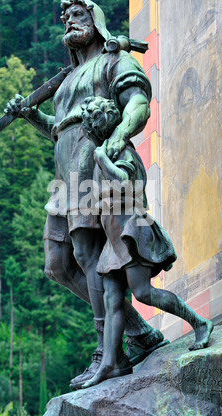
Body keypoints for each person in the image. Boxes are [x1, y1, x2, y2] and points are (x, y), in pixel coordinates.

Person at [4, 0, 167, 390]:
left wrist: (119, 136)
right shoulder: (64, 83)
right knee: (58, 265)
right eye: (65, 19)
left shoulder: (115, 61)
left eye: (78, 16)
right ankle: (138, 332)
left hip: (97, 170)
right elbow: (59, 132)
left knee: (89, 257)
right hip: (65, 180)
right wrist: (30, 116)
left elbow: (138, 105)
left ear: (96, 20)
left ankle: (106, 354)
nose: (69, 23)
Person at [79, 96, 214, 387]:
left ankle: (200, 322)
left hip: (132, 229)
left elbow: (127, 185)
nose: (90, 126)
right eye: (89, 122)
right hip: (113, 238)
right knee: (111, 298)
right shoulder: (102, 151)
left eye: (94, 120)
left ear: (108, 121)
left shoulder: (121, 150)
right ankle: (110, 364)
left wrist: (103, 160)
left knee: (141, 293)